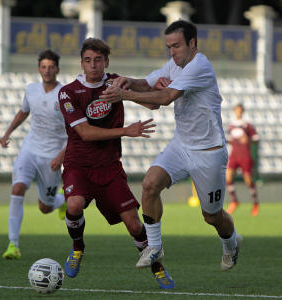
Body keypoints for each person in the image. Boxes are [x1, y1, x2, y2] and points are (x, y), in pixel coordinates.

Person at [101, 19, 242, 271]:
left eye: (176, 46)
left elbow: (165, 97)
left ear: (192, 43)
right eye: (169, 47)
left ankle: (231, 242)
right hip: (181, 146)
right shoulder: (175, 64)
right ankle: (154, 247)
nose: (172, 52)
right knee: (150, 184)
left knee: (212, 216)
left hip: (208, 153)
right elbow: (148, 83)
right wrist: (127, 81)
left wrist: (124, 95)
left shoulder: (200, 66)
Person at [58, 37, 175, 289]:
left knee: (134, 224)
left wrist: (125, 93)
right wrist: (126, 131)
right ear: (81, 63)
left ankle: (158, 268)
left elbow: (153, 104)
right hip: (79, 165)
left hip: (109, 167)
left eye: (98, 60)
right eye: (88, 60)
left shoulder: (115, 82)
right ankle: (77, 248)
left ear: (106, 61)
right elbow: (86, 133)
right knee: (75, 204)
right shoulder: (68, 92)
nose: (93, 65)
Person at [0, 50, 67, 260]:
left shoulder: (65, 94)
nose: (47, 71)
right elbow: (23, 112)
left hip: (52, 157)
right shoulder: (31, 90)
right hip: (30, 150)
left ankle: (61, 200)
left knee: (44, 208)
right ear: (39, 69)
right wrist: (7, 133)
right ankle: (13, 244)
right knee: (17, 188)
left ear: (57, 69)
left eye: (51, 67)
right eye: (43, 67)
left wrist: (62, 155)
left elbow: (75, 129)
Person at [226, 103, 260, 216]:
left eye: (240, 110)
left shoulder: (247, 125)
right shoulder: (231, 125)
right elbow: (229, 139)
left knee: (248, 180)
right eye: (237, 110)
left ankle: (255, 203)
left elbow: (256, 139)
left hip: (245, 155)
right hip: (234, 155)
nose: (238, 112)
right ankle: (234, 201)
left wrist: (248, 140)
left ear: (242, 112)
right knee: (228, 177)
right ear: (234, 111)